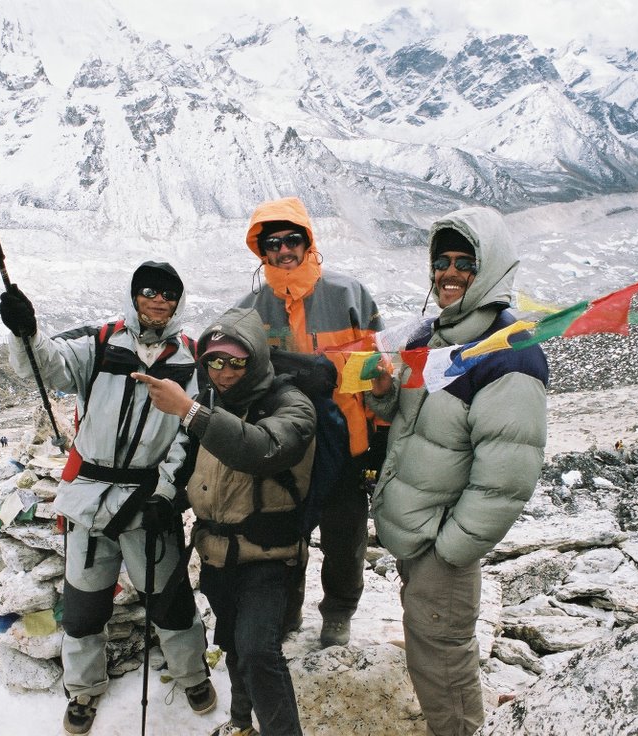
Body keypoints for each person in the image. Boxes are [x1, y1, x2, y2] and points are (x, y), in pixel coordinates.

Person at [0, 261, 215, 735]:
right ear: (134, 295)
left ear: (178, 302)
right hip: (92, 499)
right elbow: (45, 365)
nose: (158, 301)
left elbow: (188, 432)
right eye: (149, 291)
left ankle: (193, 676)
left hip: (148, 501)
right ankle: (82, 691)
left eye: (168, 294)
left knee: (170, 599)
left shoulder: (190, 358)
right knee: (84, 604)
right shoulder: (99, 343)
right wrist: (25, 331)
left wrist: (164, 492)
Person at [365, 207, 548, 736]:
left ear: (489, 269)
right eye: (441, 261)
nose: (448, 273)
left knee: (442, 665)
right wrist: (384, 398)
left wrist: (449, 550)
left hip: (439, 547)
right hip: (417, 534)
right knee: (432, 654)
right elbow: (412, 421)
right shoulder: (432, 335)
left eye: (464, 262)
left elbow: (507, 479)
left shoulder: (507, 355)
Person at [134, 307, 315, 736]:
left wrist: (190, 412)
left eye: (237, 361)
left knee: (257, 652)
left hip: (270, 554)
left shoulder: (291, 404)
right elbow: (202, 472)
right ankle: (241, 724)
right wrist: (168, 500)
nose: (225, 371)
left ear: (256, 360)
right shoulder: (212, 404)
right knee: (235, 647)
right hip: (219, 555)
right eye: (215, 360)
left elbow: (262, 449)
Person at [236, 196, 384, 647]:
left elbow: (380, 368)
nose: (283, 250)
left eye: (292, 240)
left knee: (345, 537)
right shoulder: (249, 309)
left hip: (347, 440)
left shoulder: (348, 294)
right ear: (261, 251)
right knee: (284, 537)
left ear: (308, 241)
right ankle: (287, 611)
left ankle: (339, 611)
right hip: (285, 446)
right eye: (272, 242)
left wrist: (378, 439)